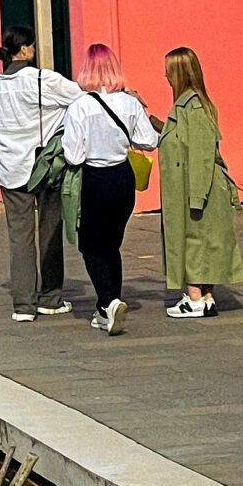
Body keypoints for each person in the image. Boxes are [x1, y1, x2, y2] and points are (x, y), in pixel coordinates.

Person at [0, 27, 78, 322]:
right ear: (24, 50)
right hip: (44, 166)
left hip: (10, 169)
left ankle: (23, 304)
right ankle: (50, 296)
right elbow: (79, 97)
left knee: (19, 238)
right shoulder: (42, 79)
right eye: (31, 45)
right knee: (50, 232)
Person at [61, 43, 159, 335]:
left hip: (93, 179)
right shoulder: (129, 103)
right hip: (122, 177)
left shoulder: (80, 106)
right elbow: (149, 141)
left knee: (90, 244)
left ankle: (108, 300)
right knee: (111, 244)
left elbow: (73, 156)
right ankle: (109, 305)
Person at [156, 45, 243, 319]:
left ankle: (194, 297)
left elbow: (201, 156)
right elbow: (180, 138)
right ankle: (205, 296)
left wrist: (196, 197)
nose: (165, 77)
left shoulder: (192, 108)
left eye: (169, 71)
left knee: (194, 239)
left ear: (180, 73)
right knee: (201, 240)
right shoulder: (191, 106)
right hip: (198, 186)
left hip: (197, 187)